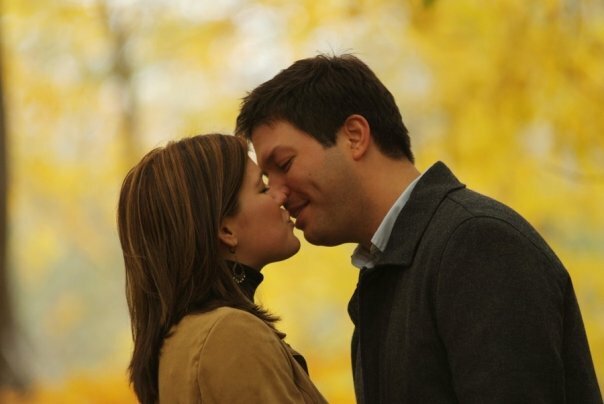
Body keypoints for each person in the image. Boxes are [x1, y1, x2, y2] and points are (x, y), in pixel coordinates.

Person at [235, 54, 603, 403]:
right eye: (266, 179)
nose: (277, 194)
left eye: (284, 163)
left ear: (355, 136)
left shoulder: (477, 244)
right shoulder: (389, 275)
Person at [117, 134, 327, 404]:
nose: (282, 195)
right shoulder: (231, 334)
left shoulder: (182, 337)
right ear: (226, 230)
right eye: (263, 189)